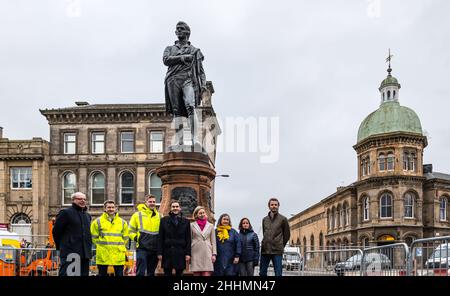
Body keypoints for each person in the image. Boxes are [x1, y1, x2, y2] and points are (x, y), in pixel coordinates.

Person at [163, 21, 207, 149]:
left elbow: (201, 72)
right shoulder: (169, 49)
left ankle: (194, 140)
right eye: (177, 29)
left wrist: (203, 85)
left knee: (190, 106)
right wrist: (183, 58)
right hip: (172, 80)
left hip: (188, 80)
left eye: (181, 29)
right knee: (177, 112)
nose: (178, 31)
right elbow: (166, 60)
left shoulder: (195, 50)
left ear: (187, 32)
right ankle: (180, 142)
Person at [52, 192, 92, 276]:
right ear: (73, 200)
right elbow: (56, 231)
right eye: (80, 199)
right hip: (70, 253)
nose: (83, 201)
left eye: (84, 199)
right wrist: (61, 247)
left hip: (85, 254)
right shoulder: (65, 213)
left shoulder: (88, 216)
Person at [90, 200, 129, 276]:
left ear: (115, 208)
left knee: (119, 275)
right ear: (104, 208)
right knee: (102, 274)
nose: (111, 209)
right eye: (109, 207)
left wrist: (119, 246)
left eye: (112, 207)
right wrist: (102, 246)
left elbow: (126, 237)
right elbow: (93, 237)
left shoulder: (123, 222)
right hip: (103, 254)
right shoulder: (97, 222)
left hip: (118, 254)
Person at [128, 194, 161, 276]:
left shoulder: (159, 216)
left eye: (154, 202)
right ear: (146, 202)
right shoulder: (137, 215)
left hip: (154, 248)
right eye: (150, 202)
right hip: (142, 248)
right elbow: (130, 230)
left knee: (151, 273)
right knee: (141, 272)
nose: (152, 203)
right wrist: (136, 238)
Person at [158, 200, 191, 276]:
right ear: (170, 208)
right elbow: (160, 238)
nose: (175, 208)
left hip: (180, 252)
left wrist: (188, 253)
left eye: (177, 206)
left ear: (180, 208)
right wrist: (159, 253)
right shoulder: (164, 221)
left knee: (179, 273)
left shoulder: (186, 221)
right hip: (167, 252)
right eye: (173, 207)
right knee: (167, 273)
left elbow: (188, 239)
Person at [260, 198, 291, 277]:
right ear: (269, 206)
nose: (274, 206)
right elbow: (265, 233)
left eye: (275, 205)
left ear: (278, 206)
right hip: (265, 250)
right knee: (262, 273)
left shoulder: (283, 219)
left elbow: (287, 235)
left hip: (277, 251)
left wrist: (280, 245)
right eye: (272, 205)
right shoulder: (264, 219)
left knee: (278, 273)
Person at [190, 206, 216, 276]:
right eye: (200, 213)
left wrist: (214, 254)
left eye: (203, 213)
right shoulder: (192, 225)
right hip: (195, 252)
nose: (202, 214)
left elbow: (213, 241)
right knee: (196, 273)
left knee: (206, 273)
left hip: (207, 252)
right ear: (196, 215)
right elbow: (190, 239)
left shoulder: (211, 226)